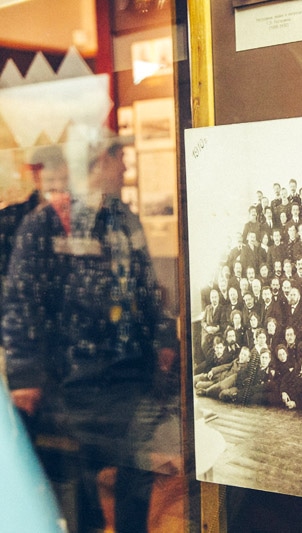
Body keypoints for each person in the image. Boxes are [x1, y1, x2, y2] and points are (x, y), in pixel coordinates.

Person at [2, 136, 175, 532]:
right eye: (120, 158)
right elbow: (21, 301)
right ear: (99, 163)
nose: (125, 168)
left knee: (135, 476)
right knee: (77, 491)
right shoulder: (45, 223)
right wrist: (26, 377)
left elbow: (148, 288)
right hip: (72, 387)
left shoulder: (125, 219)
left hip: (129, 381)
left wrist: (165, 338)